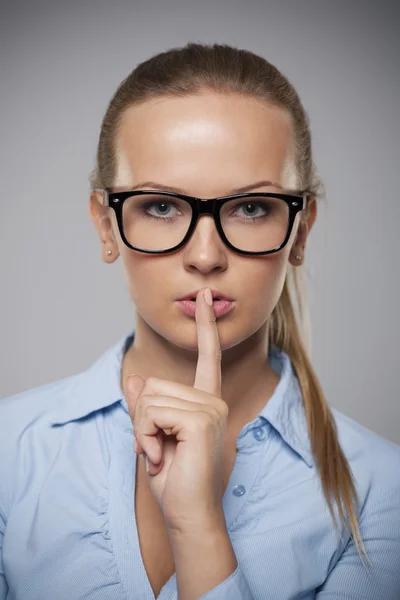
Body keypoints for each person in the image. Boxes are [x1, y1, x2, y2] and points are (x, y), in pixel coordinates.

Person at [0, 42, 399, 600]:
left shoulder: (384, 492)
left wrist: (198, 528)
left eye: (252, 208)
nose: (206, 256)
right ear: (106, 226)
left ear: (301, 231)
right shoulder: (9, 452)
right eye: (161, 206)